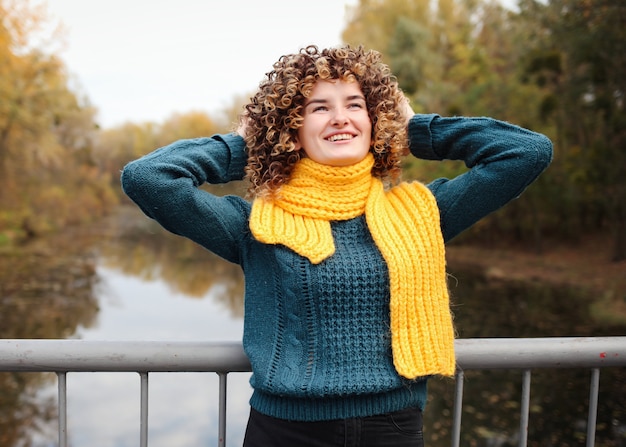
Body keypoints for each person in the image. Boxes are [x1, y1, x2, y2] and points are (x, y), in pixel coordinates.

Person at [121, 44, 552, 447]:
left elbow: (526, 152)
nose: (340, 117)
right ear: (292, 129)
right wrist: (245, 145)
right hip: (284, 431)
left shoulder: (424, 211)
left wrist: (416, 129)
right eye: (319, 108)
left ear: (374, 120)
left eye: (355, 105)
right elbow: (148, 178)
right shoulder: (253, 224)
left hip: (394, 428)